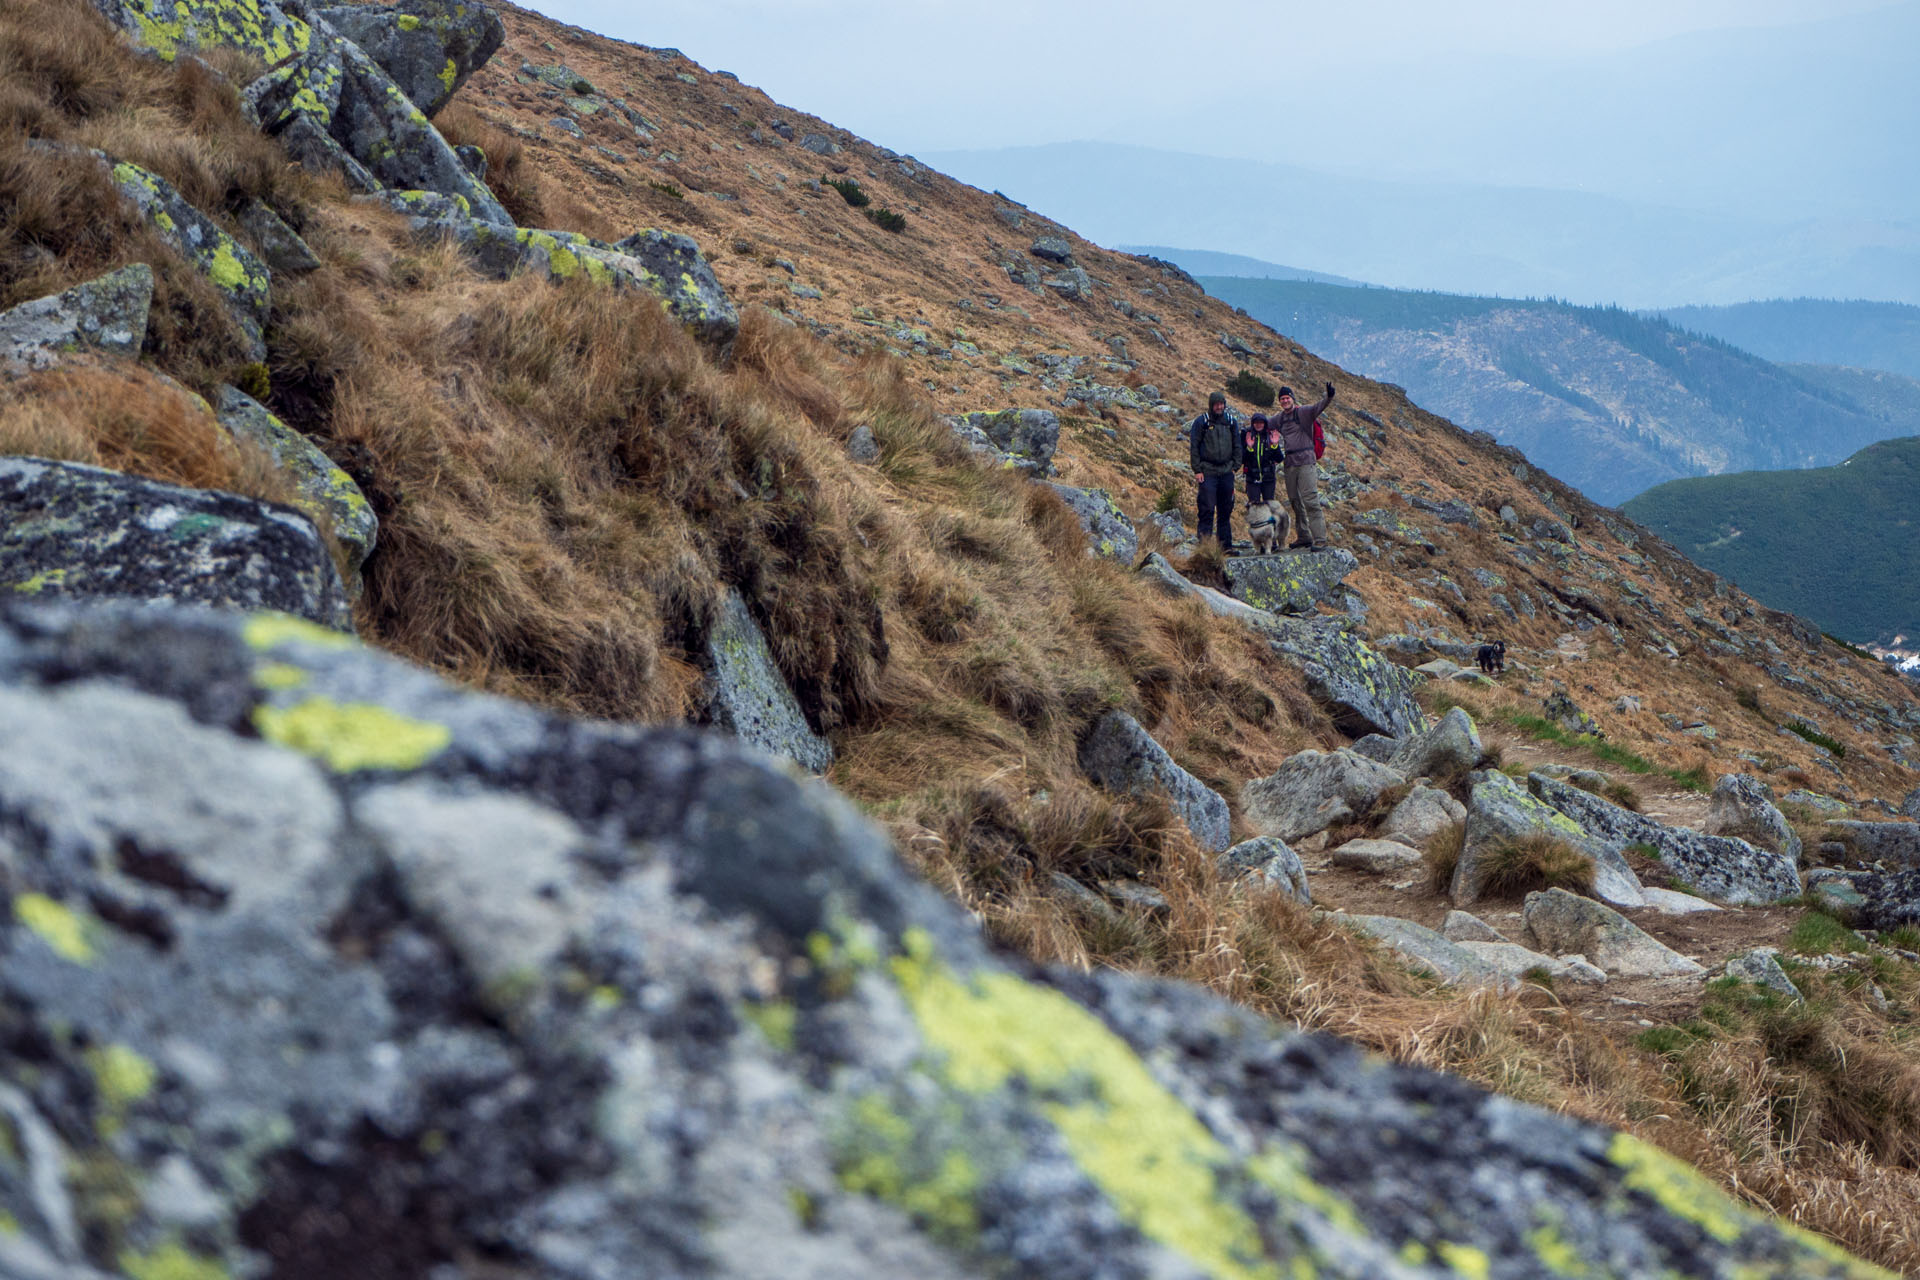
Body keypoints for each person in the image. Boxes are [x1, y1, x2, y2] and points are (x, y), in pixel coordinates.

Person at [1273, 382, 1336, 549]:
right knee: (1295, 501)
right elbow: (1263, 423)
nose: (1285, 401)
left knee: (1310, 501)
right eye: (1282, 399)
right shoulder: (1279, 418)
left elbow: (1319, 407)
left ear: (1292, 398)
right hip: (1290, 464)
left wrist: (1329, 396)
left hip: (1306, 462)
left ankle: (1320, 540)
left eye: (1287, 398)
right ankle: (1304, 536)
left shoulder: (1304, 412)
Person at [1188, 390, 1240, 548]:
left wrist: (1235, 467)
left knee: (1225, 511)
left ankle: (1225, 547)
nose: (1219, 407)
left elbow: (1238, 445)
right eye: (1216, 404)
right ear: (1211, 405)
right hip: (1207, 472)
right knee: (1207, 509)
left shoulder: (1231, 422)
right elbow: (1194, 447)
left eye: (1222, 404)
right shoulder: (1201, 422)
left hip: (1226, 472)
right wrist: (1197, 470)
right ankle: (1204, 548)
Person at [1242, 412, 1280, 508]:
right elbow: (1242, 459)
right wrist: (1249, 448)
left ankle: (1270, 523)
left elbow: (1279, 458)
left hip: (1269, 478)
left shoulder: (1270, 436)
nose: (1258, 425)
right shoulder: (1246, 435)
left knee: (1270, 506)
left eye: (1261, 422)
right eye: (1256, 422)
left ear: (1265, 423)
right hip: (1252, 477)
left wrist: (1275, 445)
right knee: (1254, 507)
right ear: (1252, 423)